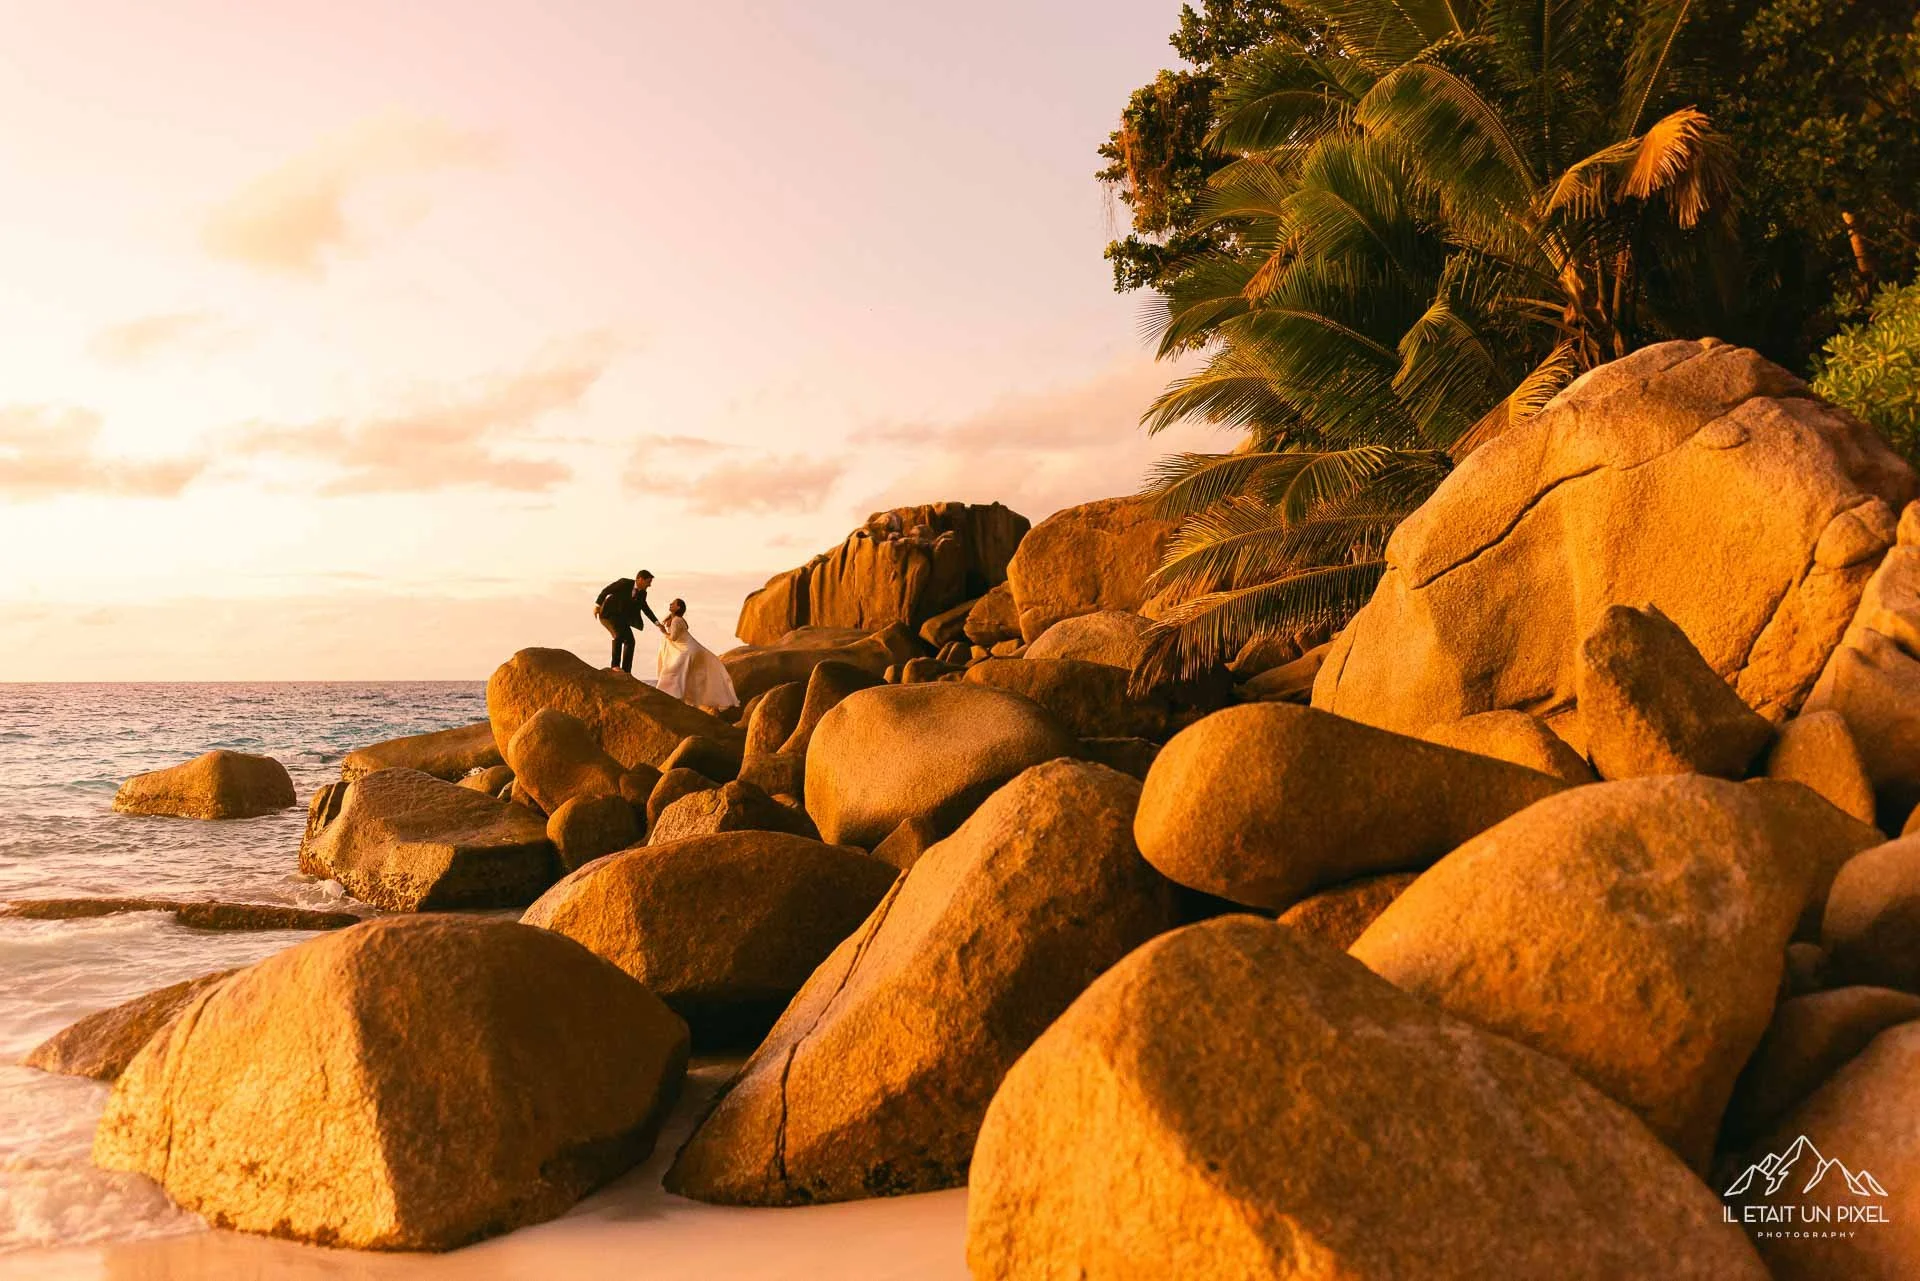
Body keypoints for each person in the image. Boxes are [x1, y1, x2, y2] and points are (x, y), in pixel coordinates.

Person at [655, 599, 739, 710]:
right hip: (689, 649)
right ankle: (679, 698)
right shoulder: (675, 619)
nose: (670, 604)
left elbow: (673, 638)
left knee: (672, 671)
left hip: (688, 651)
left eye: (673, 603)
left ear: (678, 608)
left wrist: (663, 631)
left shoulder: (676, 620)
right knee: (685, 675)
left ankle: (672, 697)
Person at [594, 569, 660, 674]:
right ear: (640, 579)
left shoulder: (642, 593)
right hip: (608, 615)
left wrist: (657, 623)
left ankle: (626, 671)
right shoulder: (624, 583)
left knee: (630, 641)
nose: (649, 585)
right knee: (618, 635)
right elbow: (606, 590)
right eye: (648, 582)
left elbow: (645, 608)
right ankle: (615, 665)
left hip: (621, 619)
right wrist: (597, 605)